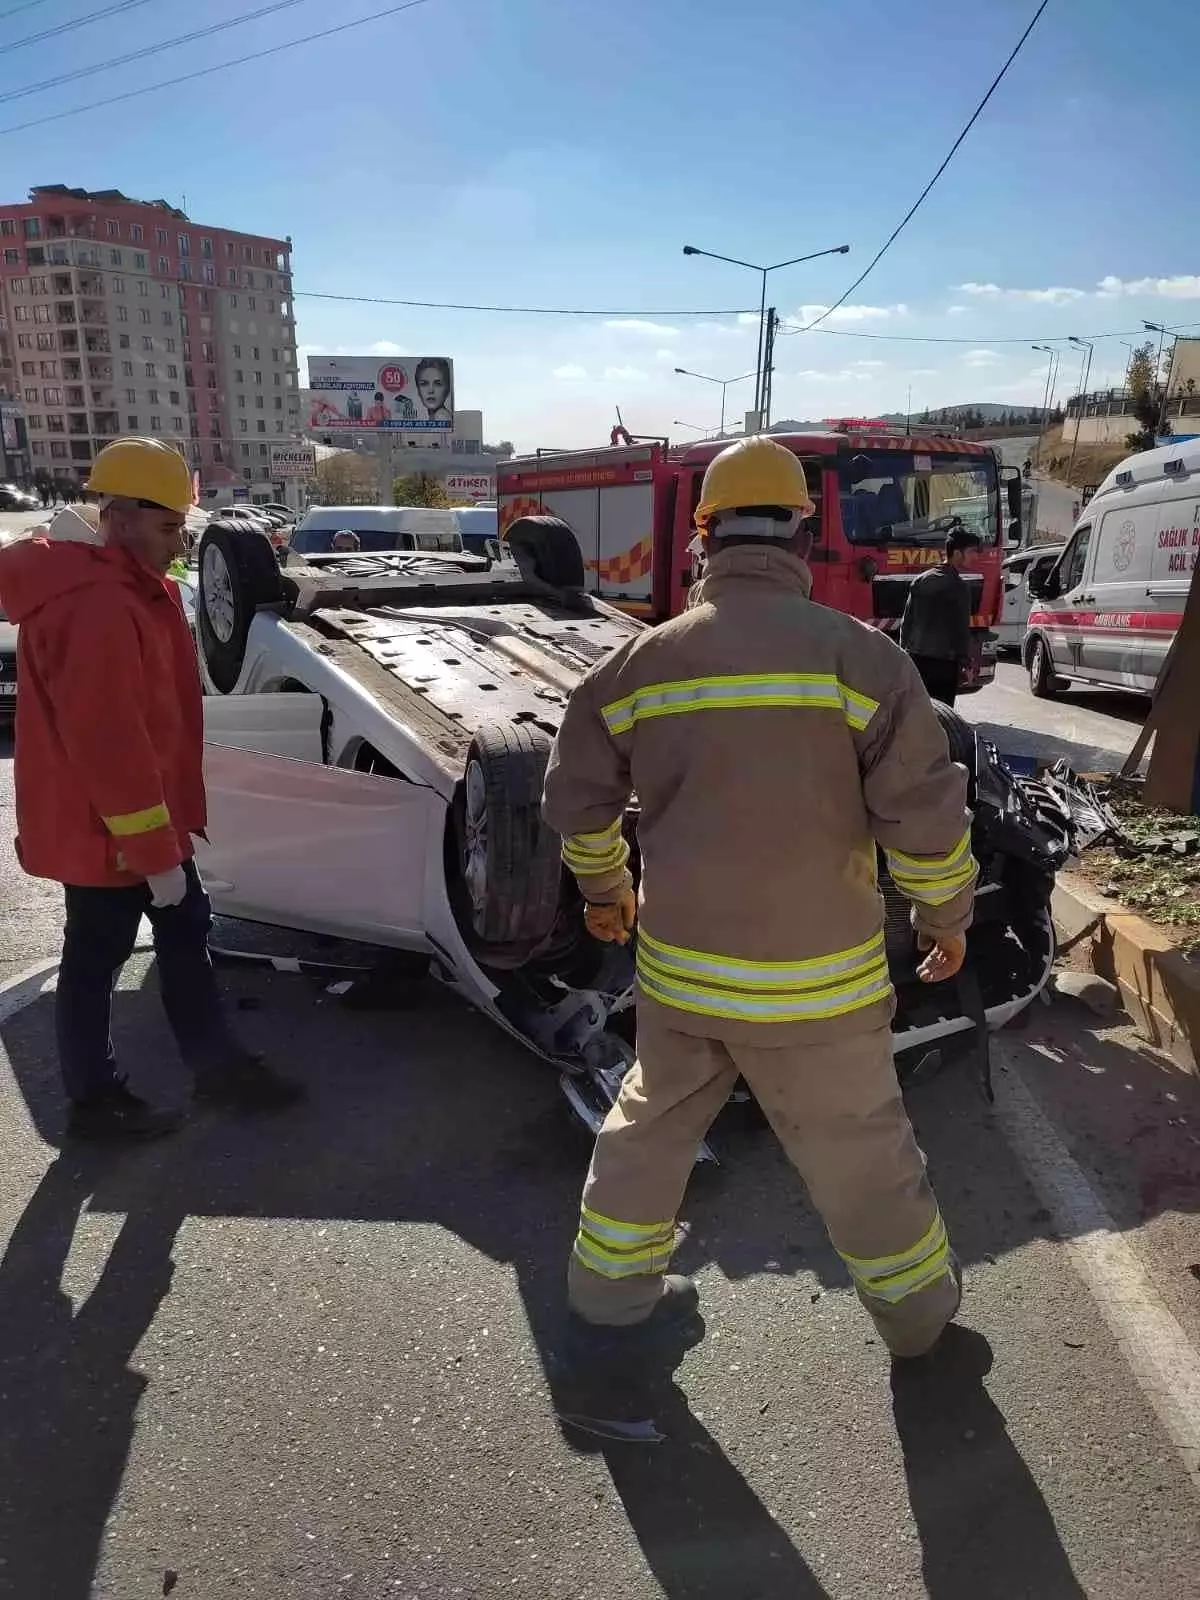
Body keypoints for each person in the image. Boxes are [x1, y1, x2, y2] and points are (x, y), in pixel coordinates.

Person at [542, 434, 977, 1365]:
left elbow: (576, 802)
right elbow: (926, 822)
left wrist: (605, 891)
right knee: (861, 1153)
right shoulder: (864, 661)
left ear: (703, 537)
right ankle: (918, 1324)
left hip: (684, 977)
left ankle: (606, 1300)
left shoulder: (637, 666)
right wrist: (945, 918)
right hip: (821, 987)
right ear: (803, 535)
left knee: (648, 1131)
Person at [0, 436, 303, 1142]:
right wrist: (153, 855)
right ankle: (98, 1100)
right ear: (118, 516)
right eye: (168, 528)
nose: (179, 545)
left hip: (134, 826)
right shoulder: (98, 604)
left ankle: (216, 1068)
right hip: (113, 833)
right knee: (98, 958)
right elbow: (111, 743)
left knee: (180, 934)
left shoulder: (119, 586)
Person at [898, 526, 980, 708]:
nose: (975, 556)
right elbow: (960, 629)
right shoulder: (959, 587)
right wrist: (966, 662)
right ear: (957, 553)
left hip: (916, 660)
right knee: (942, 713)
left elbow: (907, 622)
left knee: (917, 711)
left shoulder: (921, 580)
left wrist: (904, 654)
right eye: (971, 552)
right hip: (944, 665)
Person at [414, 358, 452, 423]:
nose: (431, 390)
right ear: (418, 390)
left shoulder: (441, 417)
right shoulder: (434, 418)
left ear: (447, 389)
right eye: (424, 384)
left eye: (438, 384)